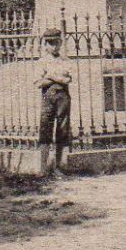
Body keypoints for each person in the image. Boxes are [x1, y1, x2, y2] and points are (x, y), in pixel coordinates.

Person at [34, 27, 73, 174]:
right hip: (48, 97)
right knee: (45, 129)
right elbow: (38, 83)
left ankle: (58, 166)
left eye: (56, 42)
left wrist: (50, 77)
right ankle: (43, 168)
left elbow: (68, 79)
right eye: (50, 43)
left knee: (62, 129)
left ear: (61, 43)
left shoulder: (65, 61)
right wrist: (57, 78)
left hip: (63, 97)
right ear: (45, 45)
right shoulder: (42, 61)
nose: (53, 46)